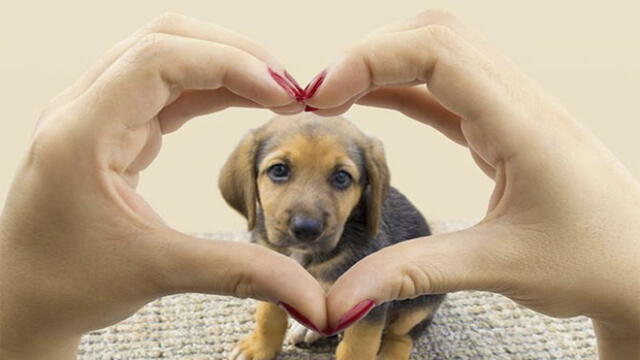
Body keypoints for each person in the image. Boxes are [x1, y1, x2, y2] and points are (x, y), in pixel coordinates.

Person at [0, 10, 637, 360]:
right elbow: (274, 279)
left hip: (390, 312)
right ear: (248, 183)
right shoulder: (265, 225)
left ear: (369, 191)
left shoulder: (363, 236)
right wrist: (267, 334)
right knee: (281, 294)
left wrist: (375, 340)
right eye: (279, 173)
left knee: (396, 312)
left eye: (340, 180)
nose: (307, 212)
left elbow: (381, 296)